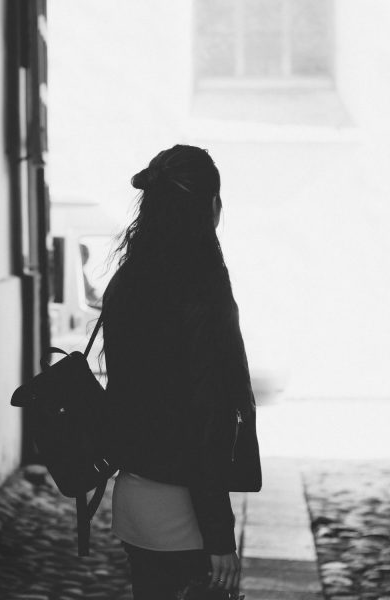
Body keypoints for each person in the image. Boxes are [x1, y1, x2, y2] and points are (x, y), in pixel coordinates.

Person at [101, 144, 260, 599]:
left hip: (135, 497)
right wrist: (219, 534)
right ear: (210, 205)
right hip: (184, 513)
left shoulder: (128, 280)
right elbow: (202, 418)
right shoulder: (200, 289)